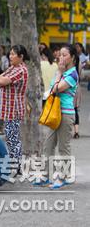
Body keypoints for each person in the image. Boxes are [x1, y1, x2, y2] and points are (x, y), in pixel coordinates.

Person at [36, 44, 79, 189]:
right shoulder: (60, 72)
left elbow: (56, 89)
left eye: (65, 55)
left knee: (63, 147)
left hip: (65, 114)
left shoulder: (72, 74)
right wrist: (58, 74)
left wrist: (59, 73)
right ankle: (45, 176)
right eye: (60, 54)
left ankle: (63, 176)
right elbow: (52, 87)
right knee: (48, 145)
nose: (61, 57)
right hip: (54, 112)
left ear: (72, 57)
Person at [0, 44, 29, 172]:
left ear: (21, 56)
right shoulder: (12, 68)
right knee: (10, 137)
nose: (10, 56)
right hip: (7, 109)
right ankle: (14, 164)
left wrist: (0, 80)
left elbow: (1, 81)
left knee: (13, 138)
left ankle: (16, 166)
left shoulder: (21, 70)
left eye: (13, 54)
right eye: (10, 54)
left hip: (14, 109)